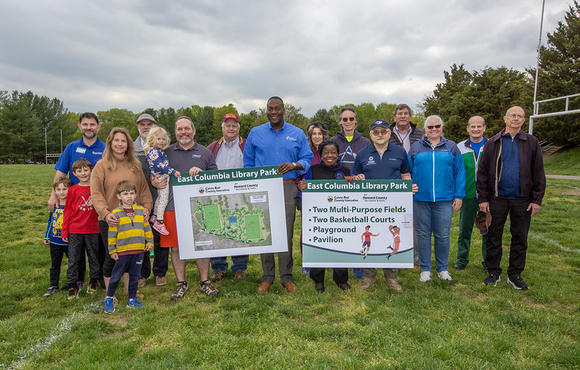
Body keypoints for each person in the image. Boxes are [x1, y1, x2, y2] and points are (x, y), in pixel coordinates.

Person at [244, 96, 313, 293]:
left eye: (277, 109)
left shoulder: (297, 133)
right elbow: (248, 162)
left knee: (285, 233)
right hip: (262, 188)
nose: (273, 112)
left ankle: (286, 277)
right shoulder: (255, 133)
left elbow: (307, 157)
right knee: (264, 232)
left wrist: (294, 165)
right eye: (270, 109)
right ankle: (267, 276)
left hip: (287, 186)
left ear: (284, 110)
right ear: (266, 111)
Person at [477, 106, 546, 290]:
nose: (515, 118)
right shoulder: (493, 142)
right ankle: (493, 271)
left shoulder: (531, 142)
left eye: (519, 116)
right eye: (512, 115)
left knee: (520, 238)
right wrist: (483, 198)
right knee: (493, 236)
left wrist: (536, 199)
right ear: (505, 118)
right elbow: (482, 173)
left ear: (524, 120)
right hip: (496, 199)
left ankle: (515, 274)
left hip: (522, 200)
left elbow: (539, 172)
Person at [155, 116, 220, 300]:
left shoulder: (206, 152)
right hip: (172, 207)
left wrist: (203, 174)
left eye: (187, 128)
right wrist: (154, 181)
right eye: (179, 129)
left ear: (194, 131)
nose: (183, 132)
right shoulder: (165, 153)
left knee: (202, 245)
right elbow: (156, 174)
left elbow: (216, 177)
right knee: (176, 247)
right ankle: (181, 283)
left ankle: (205, 282)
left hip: (199, 209)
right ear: (175, 132)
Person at [90, 127, 153, 300]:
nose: (119, 144)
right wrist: (105, 213)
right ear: (110, 143)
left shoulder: (135, 165)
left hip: (133, 220)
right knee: (114, 256)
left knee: (131, 255)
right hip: (111, 220)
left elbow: (144, 190)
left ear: (128, 144)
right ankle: (110, 294)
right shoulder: (101, 166)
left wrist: (146, 207)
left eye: (123, 141)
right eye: (116, 140)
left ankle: (128, 289)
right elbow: (96, 193)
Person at [352, 119, 413, 292]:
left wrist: (408, 189)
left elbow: (405, 174)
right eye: (376, 132)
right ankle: (369, 276)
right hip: (369, 204)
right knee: (369, 239)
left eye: (383, 132)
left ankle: (391, 277)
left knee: (390, 236)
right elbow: (356, 176)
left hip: (393, 205)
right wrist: (357, 179)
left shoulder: (400, 152)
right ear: (370, 134)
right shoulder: (363, 154)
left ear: (389, 133)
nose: (380, 135)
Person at [48, 112, 105, 289]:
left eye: (92, 124)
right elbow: (60, 173)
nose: (89, 127)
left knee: (97, 245)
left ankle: (99, 278)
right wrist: (53, 194)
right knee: (76, 246)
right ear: (79, 126)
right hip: (75, 202)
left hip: (97, 203)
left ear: (98, 127)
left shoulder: (105, 148)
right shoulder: (72, 147)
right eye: (85, 124)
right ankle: (78, 279)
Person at [409, 115, 465, 283]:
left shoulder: (451, 147)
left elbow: (459, 172)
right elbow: (407, 172)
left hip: (444, 198)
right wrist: (408, 188)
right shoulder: (416, 147)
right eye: (430, 127)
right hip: (420, 198)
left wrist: (458, 195)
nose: (434, 129)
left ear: (442, 127)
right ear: (425, 129)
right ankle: (425, 269)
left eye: (437, 126)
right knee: (423, 234)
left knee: (442, 235)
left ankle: (442, 269)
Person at [298, 139, 352, 292]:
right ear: (320, 155)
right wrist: (303, 188)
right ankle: (318, 280)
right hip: (318, 217)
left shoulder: (346, 171)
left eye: (333, 152)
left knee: (341, 246)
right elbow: (304, 191)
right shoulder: (312, 170)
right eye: (326, 153)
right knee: (318, 247)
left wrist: (352, 183)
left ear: (338, 154)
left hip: (340, 217)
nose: (330, 155)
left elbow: (355, 193)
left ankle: (341, 279)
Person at [206, 113, 249, 281]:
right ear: (222, 128)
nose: (231, 128)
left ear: (238, 129)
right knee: (217, 230)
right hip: (217, 197)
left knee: (240, 229)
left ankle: (239, 267)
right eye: (228, 125)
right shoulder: (212, 148)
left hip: (240, 196)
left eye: (234, 126)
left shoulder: (247, 146)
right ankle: (218, 267)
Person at [102, 180, 154, 313]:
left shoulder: (141, 211)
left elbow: (147, 228)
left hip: (138, 251)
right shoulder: (116, 213)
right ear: (119, 196)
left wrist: (149, 242)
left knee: (135, 276)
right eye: (125, 194)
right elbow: (112, 233)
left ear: (136, 195)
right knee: (116, 275)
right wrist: (112, 250)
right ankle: (109, 297)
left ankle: (132, 299)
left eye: (132, 193)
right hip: (122, 252)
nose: (129, 196)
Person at [331, 106, 370, 279]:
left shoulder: (365, 142)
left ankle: (358, 264)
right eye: (344, 119)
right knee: (341, 226)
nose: (348, 122)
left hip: (358, 192)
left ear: (356, 121)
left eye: (351, 119)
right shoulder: (333, 141)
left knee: (358, 226)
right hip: (338, 191)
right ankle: (340, 262)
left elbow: (369, 165)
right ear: (340, 122)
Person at [133, 113, 169, 288]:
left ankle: (160, 273)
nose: (146, 127)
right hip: (139, 200)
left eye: (149, 124)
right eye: (142, 124)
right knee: (142, 239)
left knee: (160, 237)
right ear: (138, 127)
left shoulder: (162, 146)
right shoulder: (131, 149)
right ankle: (142, 273)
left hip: (160, 198)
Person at [389, 103, 425, 266]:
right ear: (394, 117)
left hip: (414, 182)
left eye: (405, 113)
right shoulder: (387, 133)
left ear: (410, 116)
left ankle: (416, 256)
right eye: (399, 114)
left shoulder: (420, 134)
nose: (403, 116)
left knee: (414, 221)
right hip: (393, 183)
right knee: (395, 220)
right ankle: (396, 253)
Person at [62, 159, 101, 300]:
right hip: (75, 230)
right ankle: (72, 284)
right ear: (74, 173)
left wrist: (96, 201)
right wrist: (64, 230)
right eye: (79, 171)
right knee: (73, 258)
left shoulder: (97, 188)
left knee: (93, 257)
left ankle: (93, 281)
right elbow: (67, 211)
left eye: (86, 170)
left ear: (91, 170)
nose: (83, 173)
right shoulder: (72, 190)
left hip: (92, 229)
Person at [454, 116, 487, 270]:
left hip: (487, 196)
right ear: (467, 128)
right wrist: (458, 194)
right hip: (467, 194)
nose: (476, 129)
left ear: (484, 128)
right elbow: (457, 172)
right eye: (472, 126)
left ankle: (489, 261)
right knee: (465, 229)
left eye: (479, 126)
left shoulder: (491, 145)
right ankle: (461, 259)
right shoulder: (460, 147)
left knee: (488, 229)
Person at [300, 121, 330, 275]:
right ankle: (307, 262)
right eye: (314, 134)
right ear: (310, 136)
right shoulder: (305, 152)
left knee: (327, 228)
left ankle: (329, 259)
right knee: (307, 229)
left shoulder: (330, 151)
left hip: (327, 198)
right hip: (308, 197)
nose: (317, 136)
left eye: (320, 133)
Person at [144, 126, 181, 235]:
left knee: (160, 198)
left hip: (162, 176)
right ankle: (159, 221)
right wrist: (173, 171)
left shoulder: (158, 151)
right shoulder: (154, 153)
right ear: (151, 140)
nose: (161, 141)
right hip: (162, 177)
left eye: (163, 139)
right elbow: (160, 165)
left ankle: (155, 216)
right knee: (163, 200)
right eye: (158, 139)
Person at [42, 176, 73, 298]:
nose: (61, 192)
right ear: (54, 191)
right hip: (55, 241)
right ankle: (53, 284)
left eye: (64, 189)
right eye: (58, 190)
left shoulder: (71, 206)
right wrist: (47, 236)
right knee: (55, 264)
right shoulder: (55, 206)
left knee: (75, 262)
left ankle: (77, 281)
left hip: (69, 241)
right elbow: (50, 221)